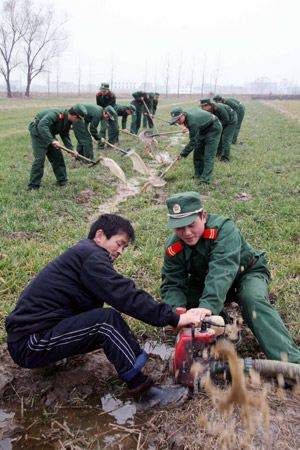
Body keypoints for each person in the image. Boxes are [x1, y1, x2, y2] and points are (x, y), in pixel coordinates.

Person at [5, 214, 202, 407]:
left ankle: (53, 358)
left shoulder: (84, 254)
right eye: (119, 243)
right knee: (105, 322)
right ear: (99, 236)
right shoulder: (91, 255)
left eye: (125, 247)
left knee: (99, 319)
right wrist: (174, 318)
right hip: (30, 343)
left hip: (34, 336)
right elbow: (124, 294)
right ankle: (143, 391)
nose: (121, 251)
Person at [160, 191, 300, 363]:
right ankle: (221, 328)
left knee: (252, 300)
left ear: (203, 216)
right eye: (180, 227)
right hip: (207, 282)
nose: (187, 232)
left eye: (191, 224)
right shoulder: (173, 246)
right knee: (183, 299)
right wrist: (177, 316)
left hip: (246, 274)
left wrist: (207, 306)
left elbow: (222, 269)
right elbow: (172, 284)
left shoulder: (223, 228)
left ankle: (291, 363)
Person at [28, 104, 87, 190]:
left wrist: (71, 149)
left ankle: (62, 181)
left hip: (49, 133)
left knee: (57, 157)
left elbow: (65, 134)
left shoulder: (68, 121)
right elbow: (42, 125)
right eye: (79, 119)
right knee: (39, 159)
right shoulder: (56, 114)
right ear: (75, 116)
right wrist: (52, 140)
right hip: (38, 132)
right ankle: (33, 186)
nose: (78, 121)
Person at [169, 106, 222, 185]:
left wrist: (183, 153)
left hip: (213, 127)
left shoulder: (192, 122)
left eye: (178, 120)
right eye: (175, 121)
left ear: (183, 115)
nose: (177, 122)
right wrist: (187, 127)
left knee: (208, 155)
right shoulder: (187, 115)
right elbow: (195, 122)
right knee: (197, 152)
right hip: (203, 128)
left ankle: (205, 180)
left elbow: (193, 141)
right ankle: (198, 174)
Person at [96, 83, 117, 149]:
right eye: (101, 90)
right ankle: (100, 146)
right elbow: (99, 106)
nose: (102, 92)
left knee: (114, 129)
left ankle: (110, 145)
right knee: (103, 129)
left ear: (108, 89)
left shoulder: (112, 95)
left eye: (104, 91)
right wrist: (103, 116)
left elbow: (111, 107)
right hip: (103, 112)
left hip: (112, 111)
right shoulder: (98, 95)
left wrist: (109, 119)